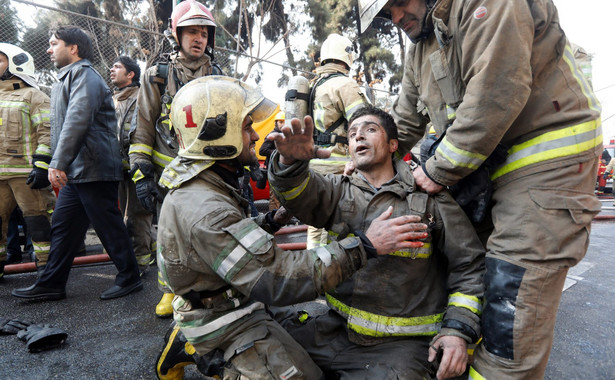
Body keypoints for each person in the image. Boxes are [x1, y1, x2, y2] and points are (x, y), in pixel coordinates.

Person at [358, 1, 603, 378]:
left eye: (398, 3)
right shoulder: (420, 47)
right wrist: (362, 162)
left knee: (510, 304)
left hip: (546, 162)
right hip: (484, 171)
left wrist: (437, 171)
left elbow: (496, 90)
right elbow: (404, 122)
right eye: (386, 14)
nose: (396, 18)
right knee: (471, 278)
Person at [153, 77, 428, 379]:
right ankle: (197, 348)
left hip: (234, 294)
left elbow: (225, 243)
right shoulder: (208, 209)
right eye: (247, 127)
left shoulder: (207, 186)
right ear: (221, 136)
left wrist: (269, 221)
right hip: (222, 317)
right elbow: (277, 278)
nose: (255, 135)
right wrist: (365, 245)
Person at [267, 105, 485, 379]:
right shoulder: (336, 190)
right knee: (262, 345)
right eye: (353, 133)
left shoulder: (430, 201)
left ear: (393, 144)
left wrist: (457, 330)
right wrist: (290, 164)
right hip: (333, 331)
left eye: (370, 129)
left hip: (399, 349)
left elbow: (469, 267)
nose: (358, 137)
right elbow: (295, 193)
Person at [12, 26, 142, 301]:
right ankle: (52, 283)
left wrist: (57, 163)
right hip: (78, 169)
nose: (48, 49)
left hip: (93, 169)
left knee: (108, 226)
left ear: (74, 48)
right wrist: (53, 161)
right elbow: (60, 129)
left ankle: (130, 277)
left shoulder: (85, 77)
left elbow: (77, 121)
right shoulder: (66, 79)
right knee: (63, 225)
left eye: (54, 44)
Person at [129, 0, 223, 318]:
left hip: (210, 169)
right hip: (168, 170)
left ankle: (213, 286)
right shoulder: (157, 75)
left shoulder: (219, 75)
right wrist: (141, 171)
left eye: (204, 33)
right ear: (177, 34)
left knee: (211, 228)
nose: (199, 38)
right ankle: (170, 291)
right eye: (192, 32)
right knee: (170, 235)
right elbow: (143, 124)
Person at [306, 33, 369, 249]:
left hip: (315, 164)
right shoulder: (344, 84)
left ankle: (314, 271)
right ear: (347, 56)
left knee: (316, 224)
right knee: (338, 221)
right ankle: (333, 272)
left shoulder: (314, 85)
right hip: (339, 165)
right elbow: (364, 123)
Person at [0, 43, 55, 279]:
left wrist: (42, 165)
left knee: (38, 220)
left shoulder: (34, 95)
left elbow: (48, 132)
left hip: (26, 174)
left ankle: (48, 269)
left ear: (16, 63)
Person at [110, 55, 154, 276]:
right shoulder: (113, 100)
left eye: (117, 67)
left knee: (137, 217)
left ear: (131, 74)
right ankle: (153, 252)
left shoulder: (141, 97)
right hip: (120, 167)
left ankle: (140, 265)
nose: (111, 69)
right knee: (132, 216)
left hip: (138, 167)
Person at [259, 111, 285, 210]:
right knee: (275, 198)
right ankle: (273, 220)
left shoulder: (287, 135)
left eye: (284, 122)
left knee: (284, 197)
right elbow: (262, 150)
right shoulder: (273, 135)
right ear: (276, 123)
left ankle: (282, 219)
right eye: (280, 122)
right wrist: (278, 152)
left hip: (283, 170)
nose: (282, 125)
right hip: (274, 171)